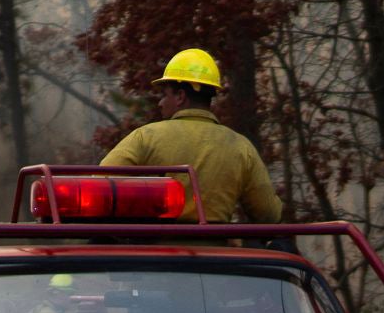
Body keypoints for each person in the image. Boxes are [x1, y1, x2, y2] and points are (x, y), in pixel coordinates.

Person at [100, 48, 282, 223]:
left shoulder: (145, 137)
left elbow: (100, 186)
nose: (160, 103)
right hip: (219, 252)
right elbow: (269, 214)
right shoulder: (241, 146)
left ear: (180, 96)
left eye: (164, 95)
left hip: (156, 251)